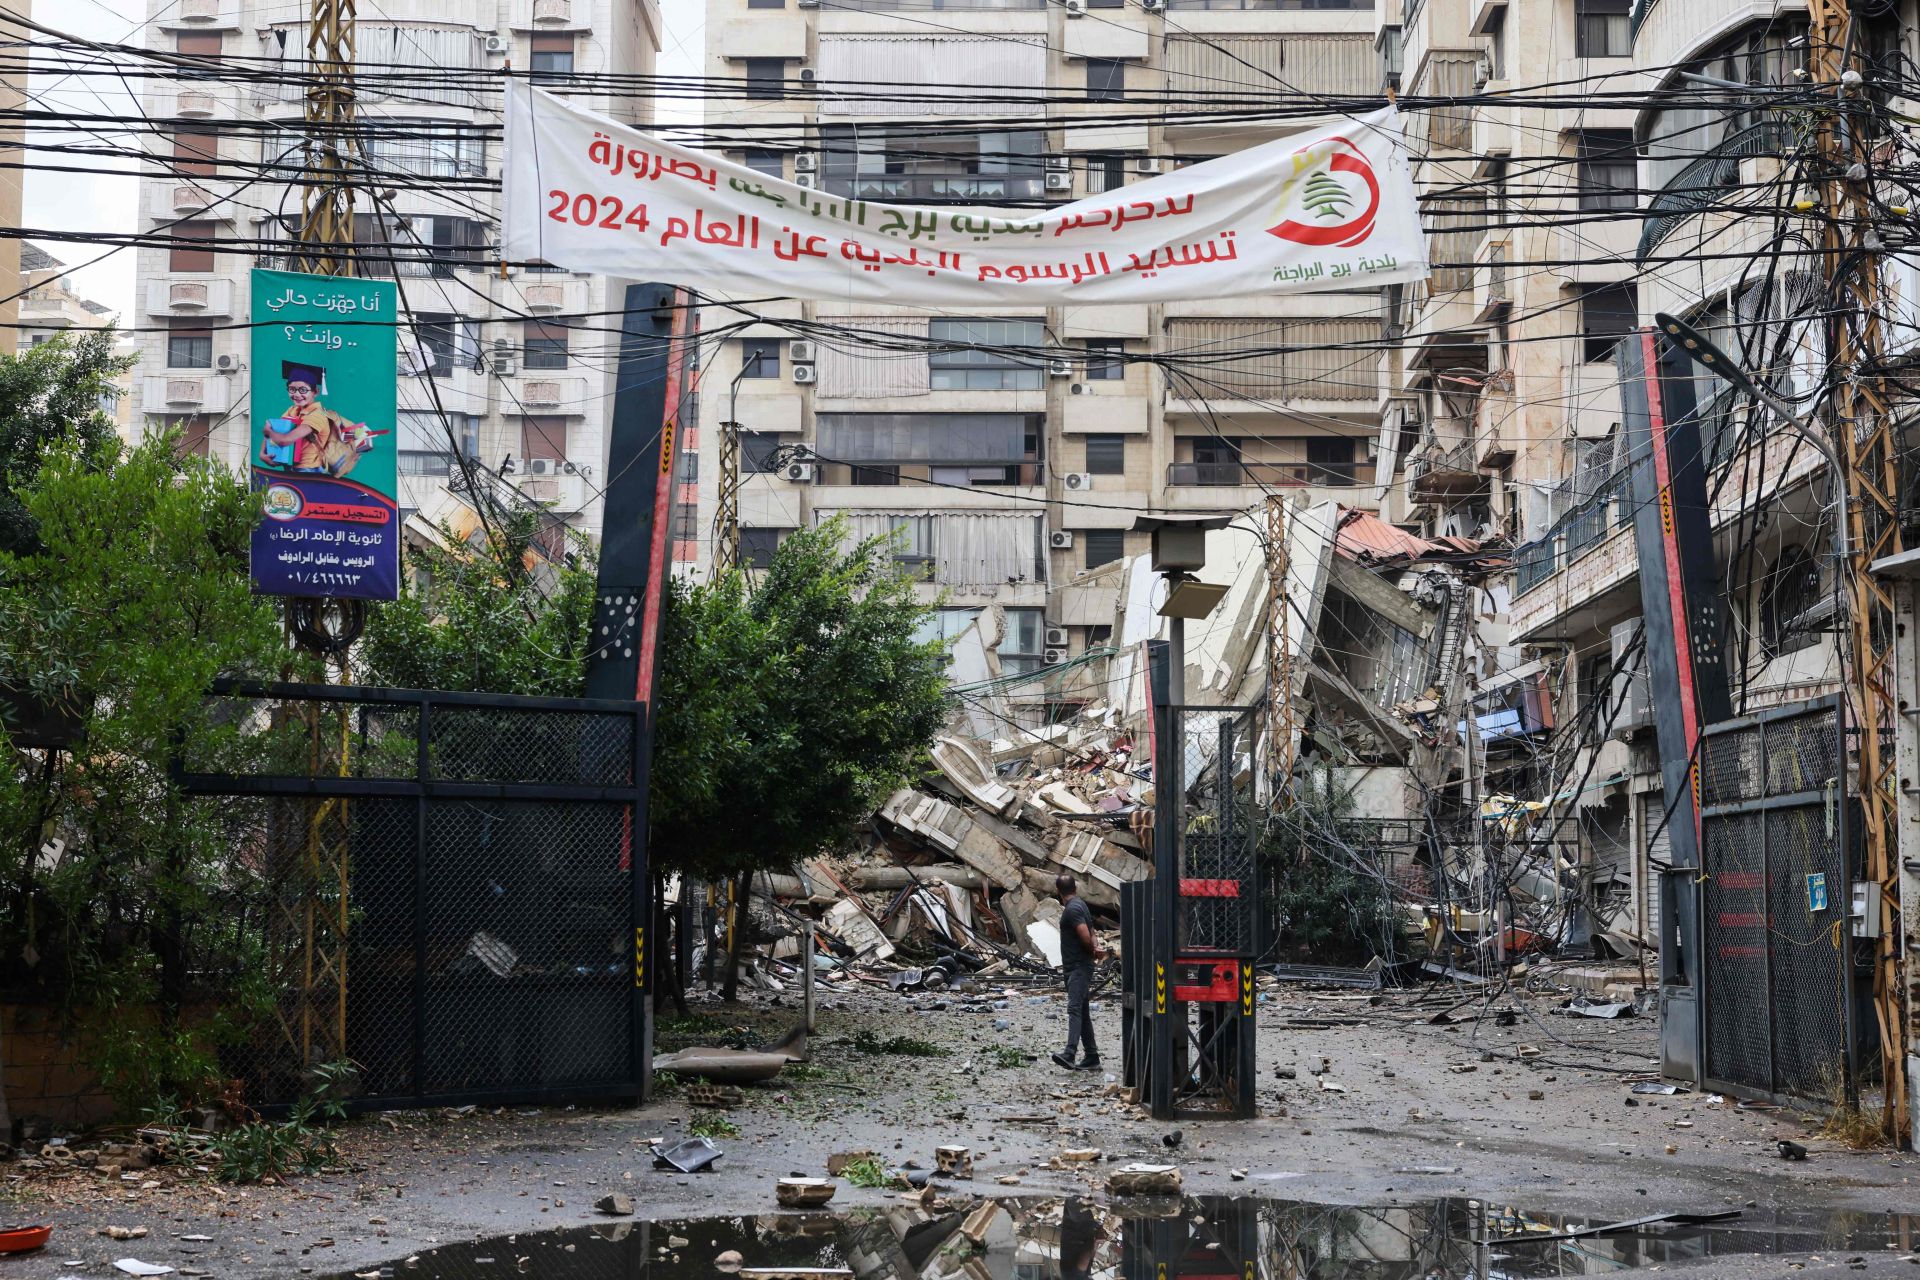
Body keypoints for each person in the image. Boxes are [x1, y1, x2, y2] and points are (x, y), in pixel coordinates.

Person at [259, 361, 372, 478]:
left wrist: (268, 432)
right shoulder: (292, 410)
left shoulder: (317, 415)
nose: (296, 394)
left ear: (316, 392)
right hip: (290, 468)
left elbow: (285, 440)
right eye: (292, 389)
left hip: (309, 472)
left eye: (303, 390)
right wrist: (262, 453)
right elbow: (275, 428)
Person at [1051, 873, 1104, 1072]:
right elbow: (1092, 932)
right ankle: (1092, 1056)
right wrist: (1095, 948)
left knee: (1074, 1008)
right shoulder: (1081, 905)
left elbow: (1084, 933)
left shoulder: (1072, 910)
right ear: (1075, 888)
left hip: (1078, 967)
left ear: (1058, 891)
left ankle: (1070, 1053)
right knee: (1082, 1011)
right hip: (1080, 966)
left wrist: (1091, 950)